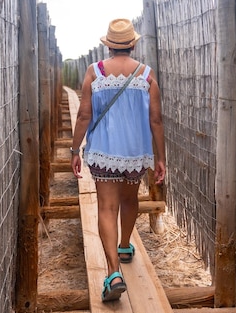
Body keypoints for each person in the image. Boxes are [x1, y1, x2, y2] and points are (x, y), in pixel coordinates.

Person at [70, 18, 166, 302]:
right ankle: (125, 246)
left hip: (103, 151)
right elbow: (156, 120)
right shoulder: (147, 76)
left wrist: (75, 150)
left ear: (108, 45)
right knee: (129, 199)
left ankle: (113, 272)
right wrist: (160, 158)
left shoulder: (95, 72)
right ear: (133, 44)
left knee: (107, 208)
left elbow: (84, 115)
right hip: (135, 153)